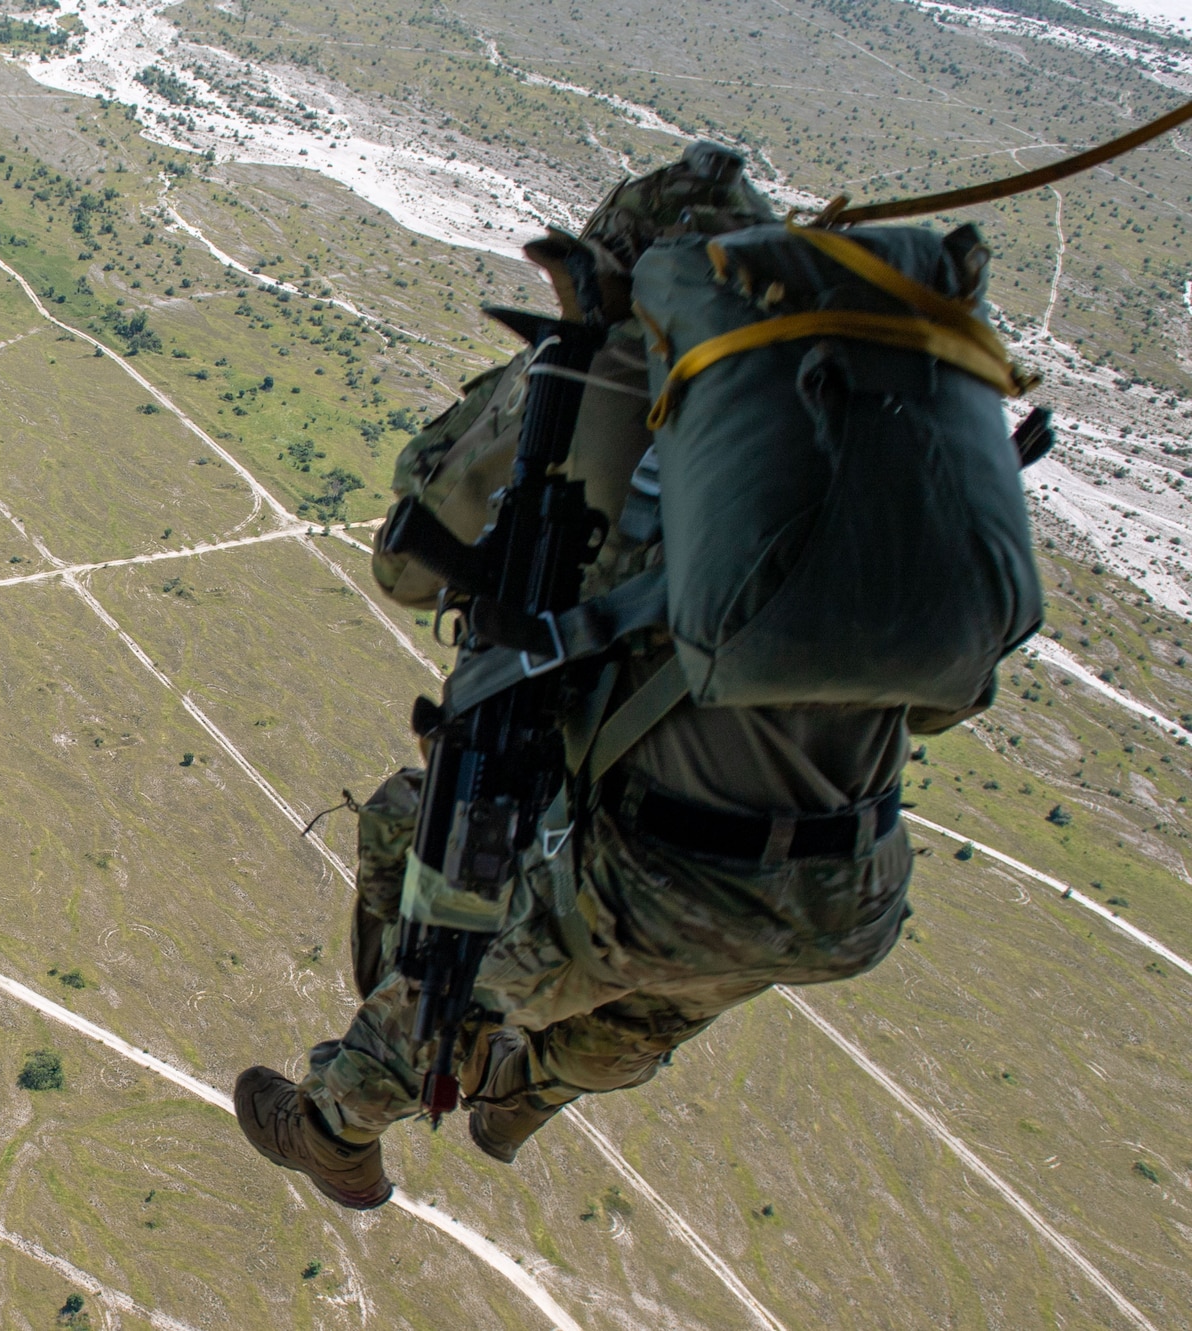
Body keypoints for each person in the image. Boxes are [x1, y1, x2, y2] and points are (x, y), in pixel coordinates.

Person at [234, 144, 916, 1210]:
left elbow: (407, 564)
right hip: (853, 885)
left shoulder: (604, 376)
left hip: (654, 867)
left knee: (432, 891)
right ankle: (529, 1092)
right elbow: (945, 691)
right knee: (657, 992)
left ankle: (334, 1128)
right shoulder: (868, 415)